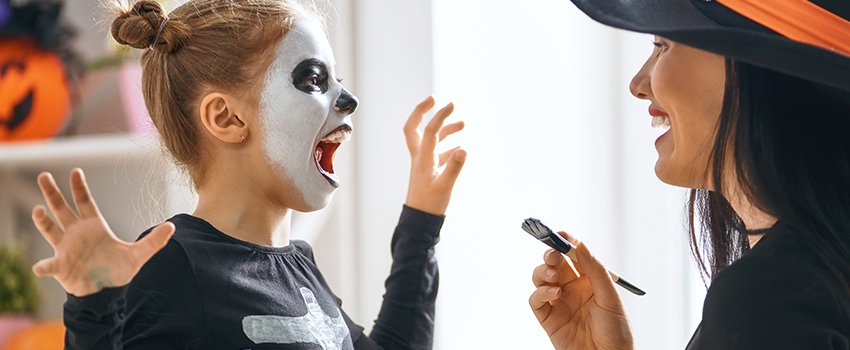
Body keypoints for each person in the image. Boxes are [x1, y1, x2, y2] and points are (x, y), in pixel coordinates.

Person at [29, 0, 466, 348]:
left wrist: (422, 221)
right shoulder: (169, 265)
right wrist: (95, 307)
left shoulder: (300, 266)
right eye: (315, 80)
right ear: (226, 117)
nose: (347, 99)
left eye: (338, 80)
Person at [529, 0, 850, 349]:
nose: (638, 83)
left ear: (748, 66)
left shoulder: (769, 297)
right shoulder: (809, 280)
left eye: (661, 46)